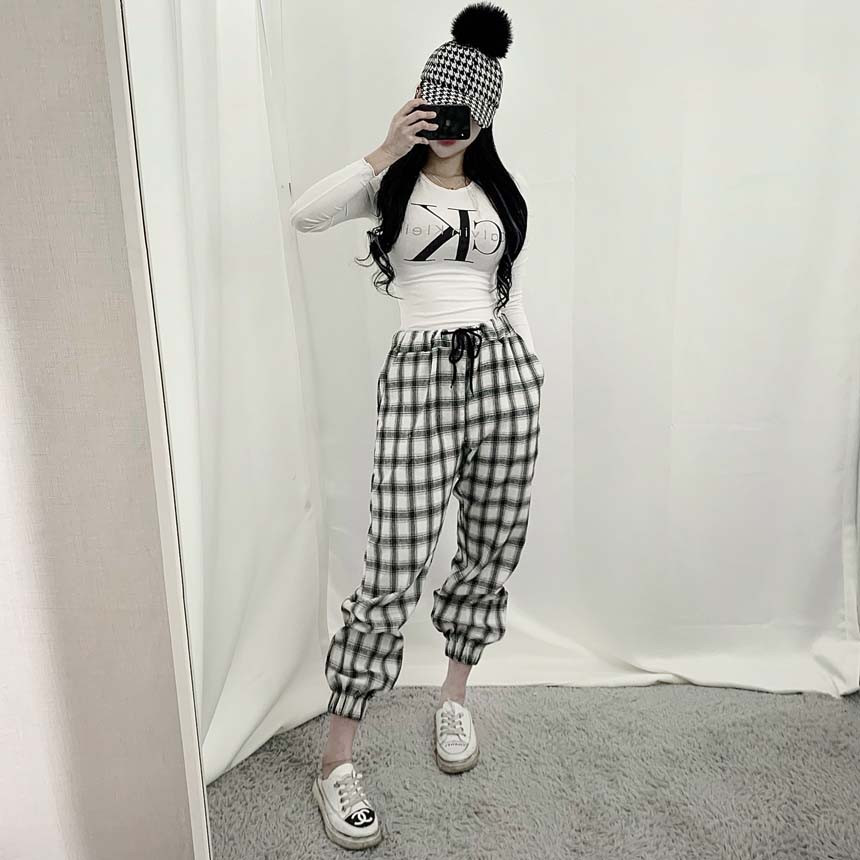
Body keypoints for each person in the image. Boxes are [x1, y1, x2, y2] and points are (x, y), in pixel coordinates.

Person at [290, 3, 543, 849]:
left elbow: (502, 285)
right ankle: (337, 761)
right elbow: (305, 214)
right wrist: (385, 147)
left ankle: (453, 698)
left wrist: (528, 368)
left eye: (462, 112)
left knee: (491, 545)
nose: (447, 125)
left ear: (488, 114)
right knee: (392, 567)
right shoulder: (390, 184)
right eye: (435, 106)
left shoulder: (499, 193)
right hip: (421, 376)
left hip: (503, 375)